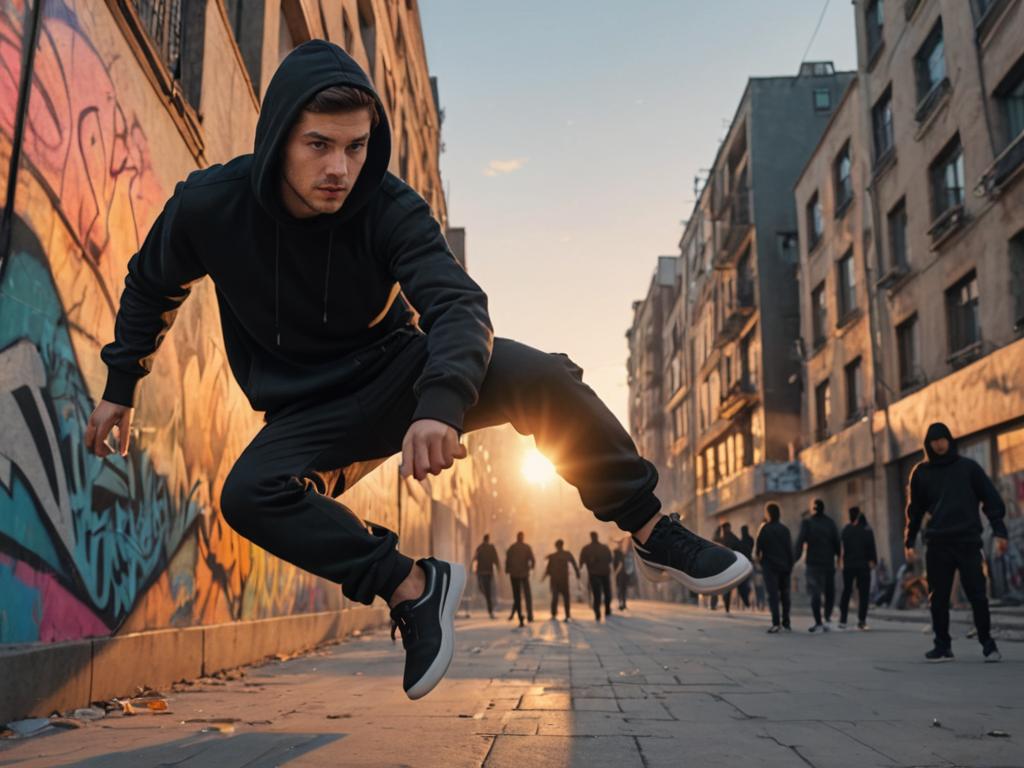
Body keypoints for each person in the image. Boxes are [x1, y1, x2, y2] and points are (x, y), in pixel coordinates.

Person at [85, 40, 749, 702]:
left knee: (546, 376)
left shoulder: (388, 205)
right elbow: (151, 284)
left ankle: (651, 529)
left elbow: (458, 304)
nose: (340, 169)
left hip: (400, 370)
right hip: (310, 411)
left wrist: (439, 401)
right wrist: (122, 387)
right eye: (319, 145)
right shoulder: (211, 205)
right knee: (249, 493)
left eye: (356, 146)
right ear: (278, 136)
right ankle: (411, 587)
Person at [905, 422, 1008, 663]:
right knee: (938, 598)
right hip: (938, 544)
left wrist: (1000, 532)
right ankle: (942, 646)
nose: (939, 444)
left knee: (977, 595)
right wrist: (909, 541)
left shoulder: (968, 468)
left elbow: (991, 500)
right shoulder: (920, 473)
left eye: (943, 439)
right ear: (928, 444)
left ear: (950, 440)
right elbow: (915, 511)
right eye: (934, 441)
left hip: (967, 541)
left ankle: (988, 644)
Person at [794, 498, 840, 633]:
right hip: (828, 564)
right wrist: (839, 558)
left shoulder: (807, 523)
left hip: (813, 564)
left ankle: (819, 622)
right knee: (829, 592)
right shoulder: (830, 523)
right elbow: (837, 542)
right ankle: (826, 618)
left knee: (815, 593)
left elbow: (800, 542)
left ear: (814, 509)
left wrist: (794, 559)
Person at [755, 503, 794, 633]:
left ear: (768, 514)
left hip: (769, 567)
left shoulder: (764, 529)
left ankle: (776, 623)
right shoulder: (785, 529)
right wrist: (790, 565)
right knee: (785, 595)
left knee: (773, 596)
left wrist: (761, 563)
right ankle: (786, 622)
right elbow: (790, 550)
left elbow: (757, 550)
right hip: (784, 567)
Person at [838, 507, 876, 631]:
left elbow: (841, 549)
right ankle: (862, 621)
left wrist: (840, 562)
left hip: (848, 566)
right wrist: (873, 561)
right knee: (864, 594)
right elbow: (872, 548)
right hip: (863, 566)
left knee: (846, 592)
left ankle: (843, 620)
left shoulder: (846, 530)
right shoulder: (867, 530)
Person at [580, 532, 614, 621]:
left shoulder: (586, 549)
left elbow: (581, 562)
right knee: (607, 593)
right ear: (597, 537)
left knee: (596, 594)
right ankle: (607, 610)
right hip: (605, 573)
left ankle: (597, 612)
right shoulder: (604, 548)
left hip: (594, 574)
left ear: (591, 537)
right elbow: (610, 560)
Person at [543, 539, 580, 621]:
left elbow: (548, 569)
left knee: (555, 597)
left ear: (556, 546)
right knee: (564, 597)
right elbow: (574, 563)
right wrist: (577, 573)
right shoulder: (566, 554)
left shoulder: (553, 556)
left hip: (556, 580)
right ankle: (566, 615)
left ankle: (555, 614)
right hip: (562, 580)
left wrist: (544, 577)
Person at [711, 523, 742, 613]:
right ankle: (717, 604)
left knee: (724, 586)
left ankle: (725, 605)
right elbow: (714, 541)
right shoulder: (726, 538)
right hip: (722, 564)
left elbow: (738, 546)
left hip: (727, 564)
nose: (726, 529)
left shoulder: (729, 538)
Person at [506, 532, 535, 626]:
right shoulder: (527, 547)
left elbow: (507, 560)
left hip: (514, 575)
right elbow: (533, 560)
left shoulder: (512, 548)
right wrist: (531, 568)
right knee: (527, 596)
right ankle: (529, 616)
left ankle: (519, 617)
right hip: (524, 575)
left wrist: (508, 570)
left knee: (517, 596)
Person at [472, 534, 500, 618]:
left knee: (482, 588)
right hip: (488, 573)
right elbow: (496, 559)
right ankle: (490, 604)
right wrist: (498, 569)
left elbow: (474, 559)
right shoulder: (491, 548)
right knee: (488, 590)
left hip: (481, 573)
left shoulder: (480, 547)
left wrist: (473, 569)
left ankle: (490, 608)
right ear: (488, 539)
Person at [612, 537, 636, 610]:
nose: (620, 545)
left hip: (623, 574)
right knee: (620, 589)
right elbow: (615, 564)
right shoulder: (617, 552)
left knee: (623, 589)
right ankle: (621, 603)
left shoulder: (622, 552)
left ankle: (623, 603)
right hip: (619, 574)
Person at [737, 525, 755, 609]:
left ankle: (746, 599)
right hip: (749, 563)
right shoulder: (750, 540)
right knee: (746, 583)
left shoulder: (741, 542)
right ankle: (746, 599)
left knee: (743, 583)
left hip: (744, 564)